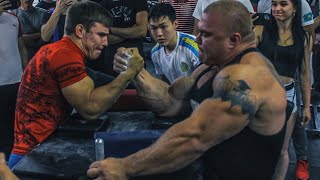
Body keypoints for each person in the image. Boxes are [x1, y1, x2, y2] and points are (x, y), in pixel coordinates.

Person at [87, 1, 288, 179]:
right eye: (199, 31)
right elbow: (169, 101)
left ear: (233, 40)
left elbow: (196, 137)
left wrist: (125, 167)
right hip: (207, 171)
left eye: (206, 34)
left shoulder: (248, 76)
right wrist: (135, 71)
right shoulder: (208, 67)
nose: (197, 39)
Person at [8, 1, 144, 168]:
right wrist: (128, 73)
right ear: (80, 31)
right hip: (32, 156)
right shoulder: (65, 56)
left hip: (36, 149)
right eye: (101, 35)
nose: (106, 42)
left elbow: (100, 82)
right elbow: (90, 109)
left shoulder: (58, 50)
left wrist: (132, 79)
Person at [254, 0, 312, 179]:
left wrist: (307, 106)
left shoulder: (304, 37)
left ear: (295, 8)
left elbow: (304, 74)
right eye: (274, 4)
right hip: (261, 95)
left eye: (283, 4)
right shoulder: (260, 30)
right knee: (258, 146)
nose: (277, 9)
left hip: (288, 94)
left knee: (282, 149)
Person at [0, 0, 28, 160]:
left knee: (16, 127)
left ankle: (13, 166)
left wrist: (25, 72)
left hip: (17, 82)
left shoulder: (13, 18)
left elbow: (21, 46)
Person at [148, 3, 200, 83]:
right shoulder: (155, 52)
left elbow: (205, 81)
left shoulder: (193, 46)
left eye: (163, 27)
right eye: (154, 28)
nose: (159, 33)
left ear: (175, 24)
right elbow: (165, 83)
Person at [97, 0, 148, 76]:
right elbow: (104, 38)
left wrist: (110, 29)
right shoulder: (102, 3)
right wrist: (131, 32)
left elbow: (142, 31)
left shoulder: (139, 1)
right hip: (109, 60)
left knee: (138, 85)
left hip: (135, 58)